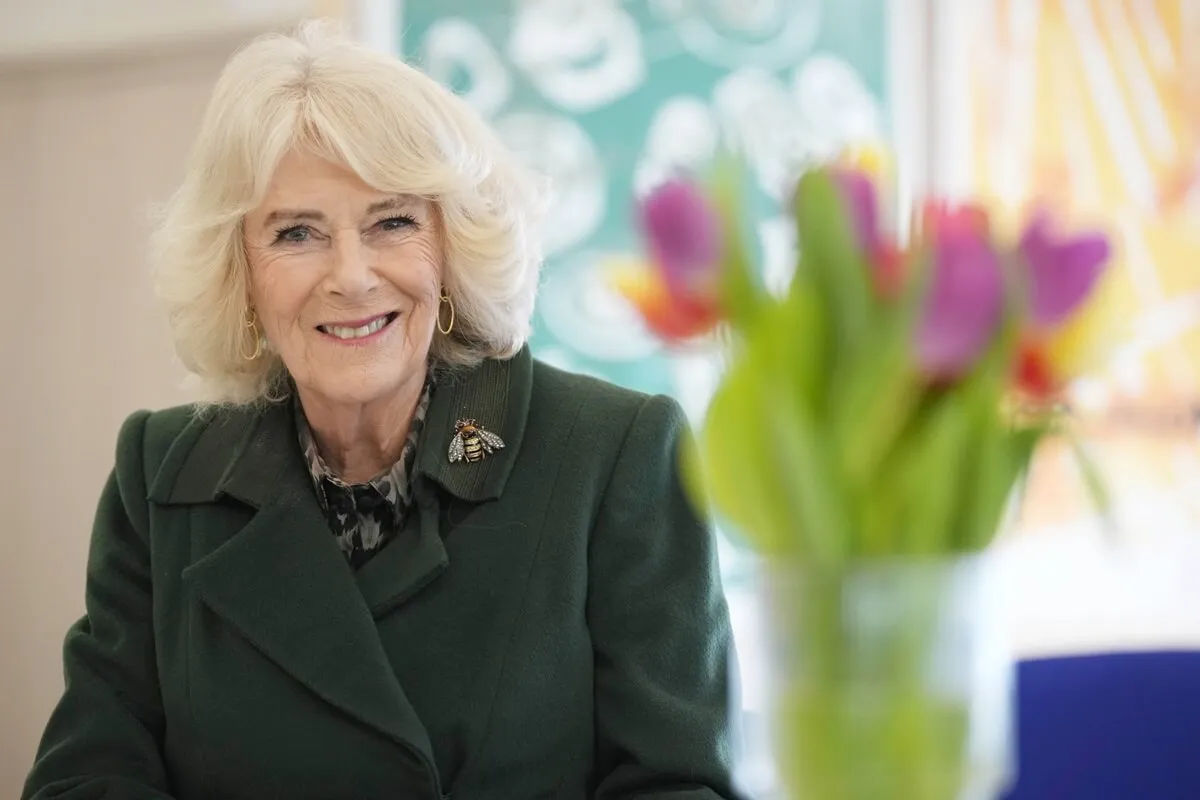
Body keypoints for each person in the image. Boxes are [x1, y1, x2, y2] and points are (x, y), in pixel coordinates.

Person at [22, 20, 740, 800]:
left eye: (391, 222)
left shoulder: (615, 454)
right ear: (242, 278)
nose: (352, 277)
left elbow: (677, 786)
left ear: (452, 247)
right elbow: (87, 777)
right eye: (297, 233)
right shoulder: (160, 476)